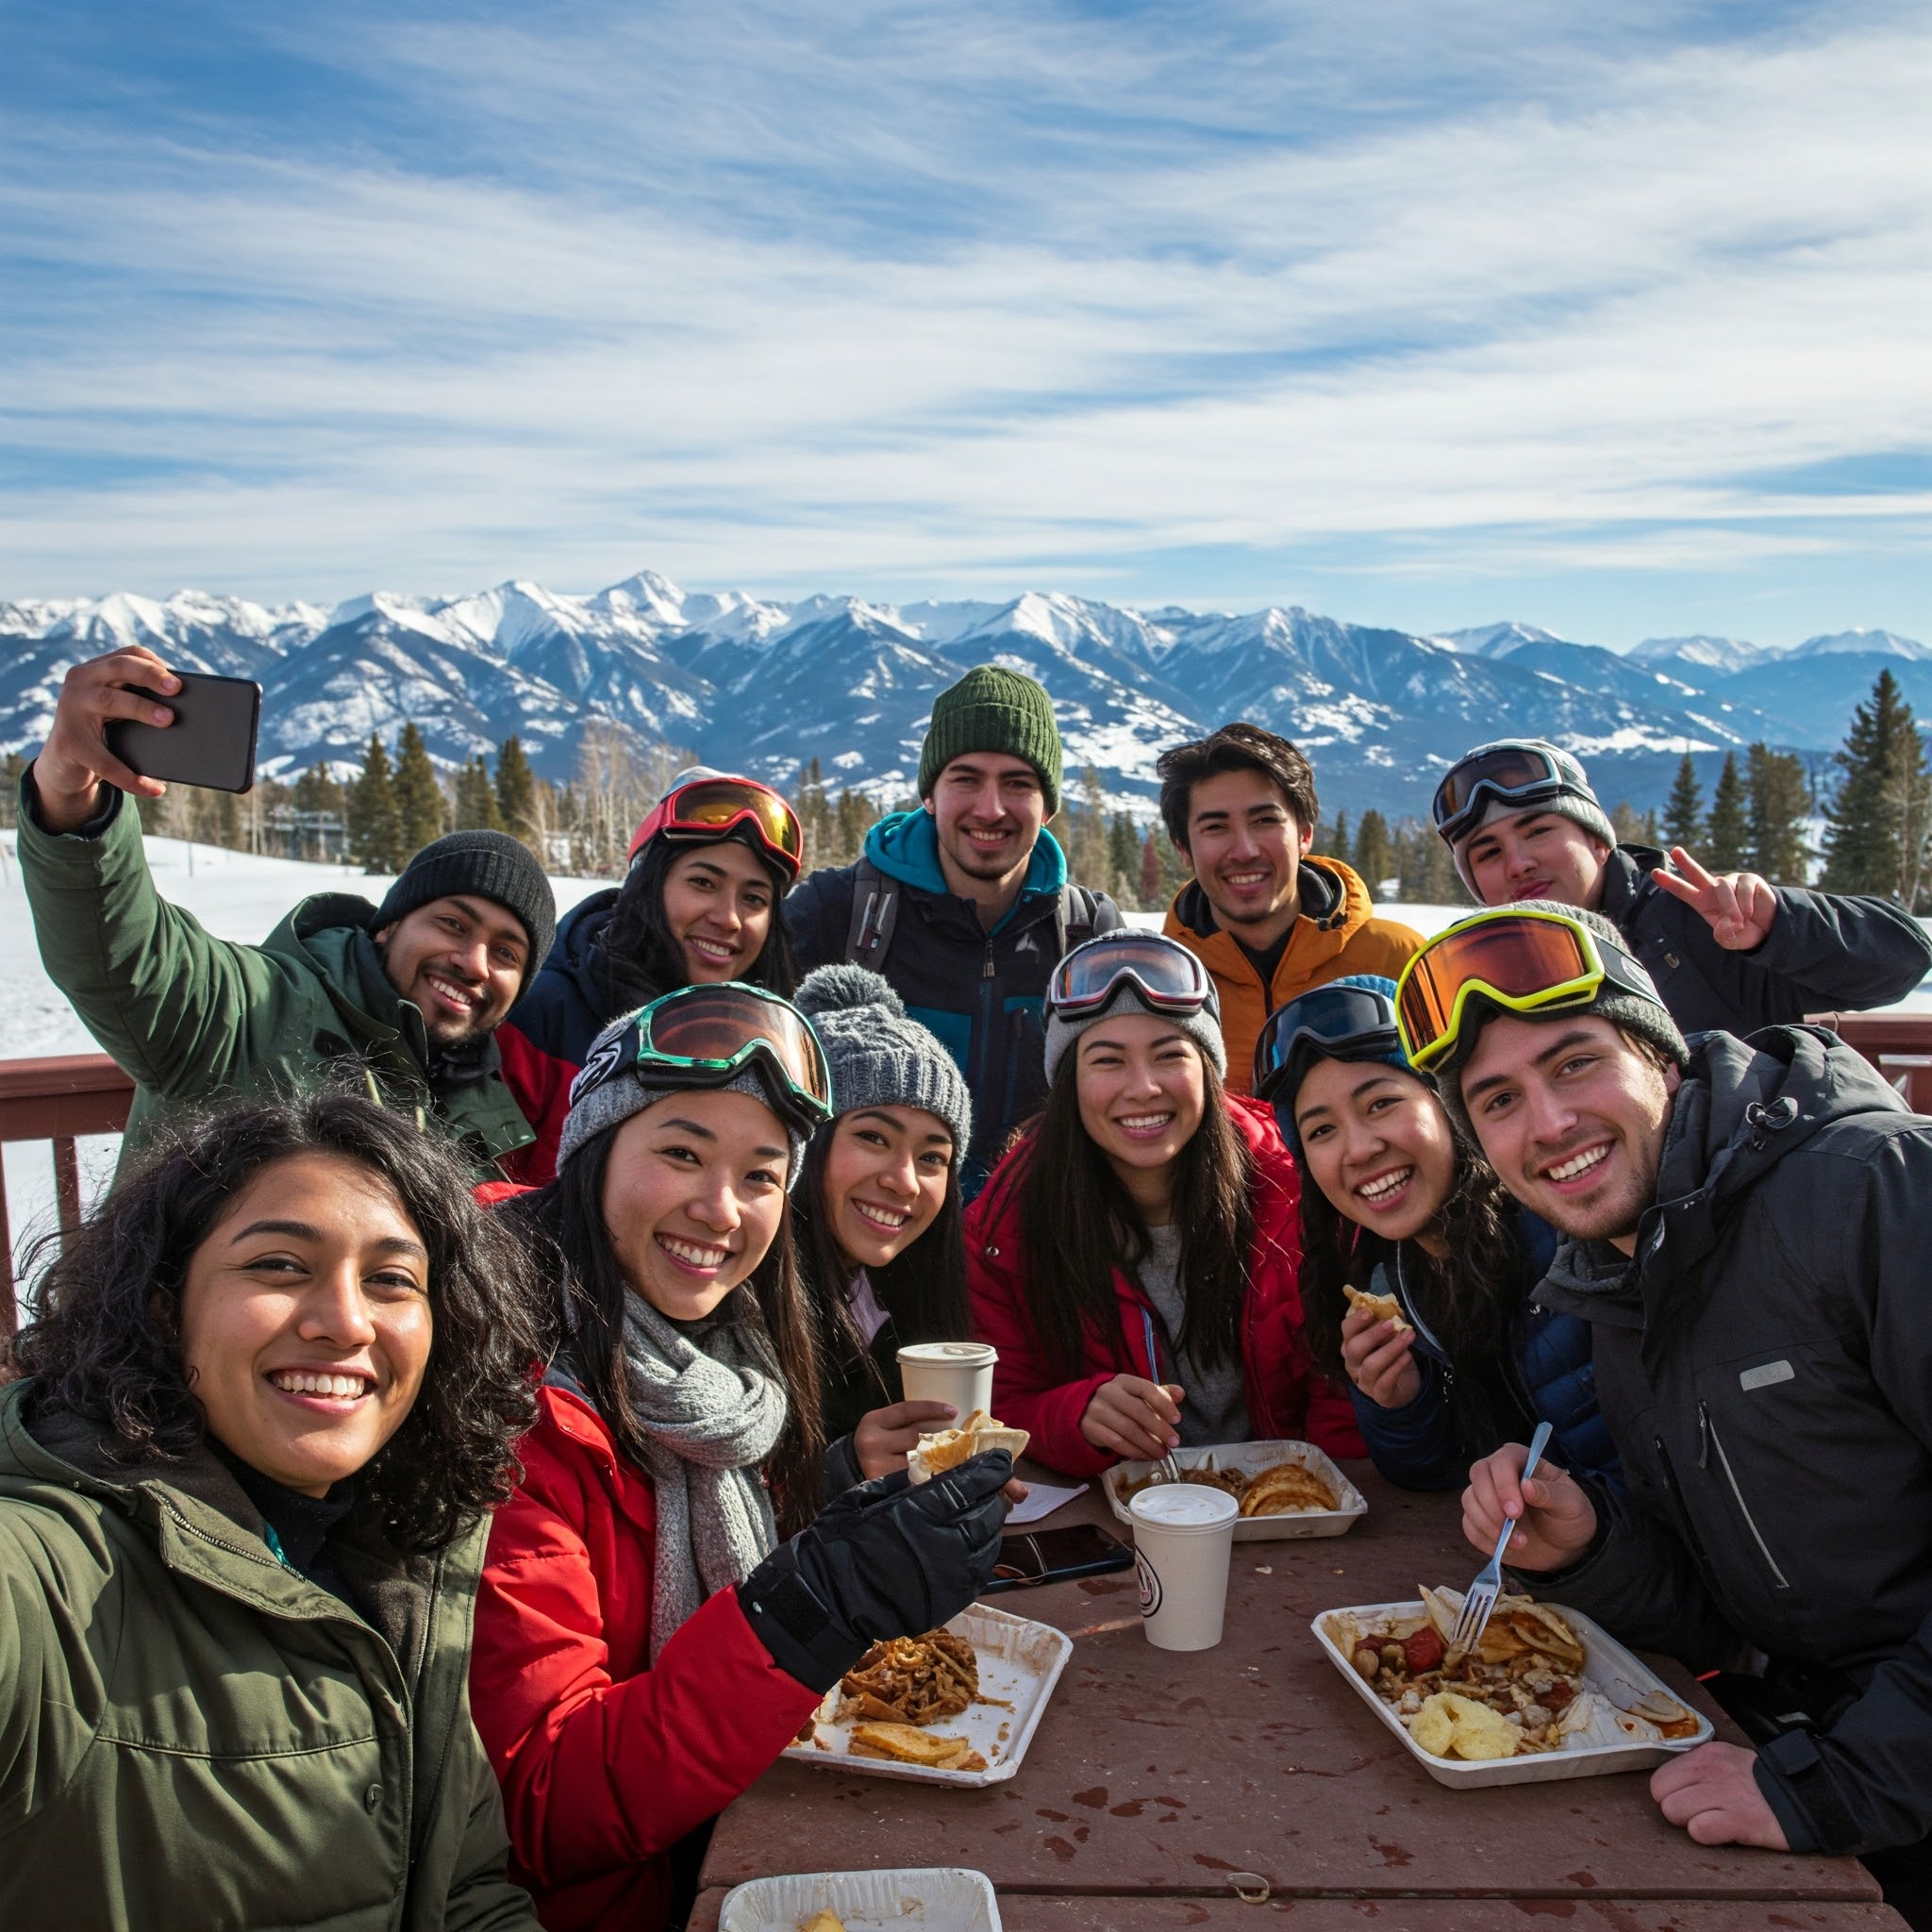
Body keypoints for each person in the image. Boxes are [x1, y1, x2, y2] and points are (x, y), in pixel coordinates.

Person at [1402, 902, 1932, 1921]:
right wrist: (1589, 1543)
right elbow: (1741, 1604)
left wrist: (1835, 1785)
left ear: (1663, 1056)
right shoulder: (1618, 1275)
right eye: (1497, 1099)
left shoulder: (1875, 1190)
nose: (1547, 1125)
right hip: (1807, 1743)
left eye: (1572, 1063)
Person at [472, 982, 1013, 1932]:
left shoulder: (725, 1362)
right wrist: (814, 1601)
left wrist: (839, 1499)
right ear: (594, 1148)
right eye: (681, 1151)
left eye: (763, 1174)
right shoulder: (506, 1398)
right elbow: (539, 1802)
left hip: (717, 1837)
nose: (721, 1208)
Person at [0, 1091, 548, 1928]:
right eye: (279, 1267)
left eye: (391, 1281)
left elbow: (464, 1893)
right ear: (163, 1304)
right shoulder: (54, 1573)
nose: (345, 1323)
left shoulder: (405, 1563)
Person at [19, 643, 556, 1178]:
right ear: (388, 926)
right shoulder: (250, 1012)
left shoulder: (482, 1105)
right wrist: (72, 794)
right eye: (452, 923)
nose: (474, 962)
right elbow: (123, 951)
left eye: (507, 952)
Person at [967, 930, 1362, 1477]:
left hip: (1287, 1516)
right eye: (1107, 1061)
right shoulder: (1005, 1222)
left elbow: (1341, 1391)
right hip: (1116, 1525)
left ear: (1208, 1069)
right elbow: (993, 1406)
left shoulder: (1294, 1187)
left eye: (1169, 1054)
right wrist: (1073, 1416)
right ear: (1069, 1084)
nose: (1144, 1087)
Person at [1253, 974, 1617, 1492]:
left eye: (1380, 1103)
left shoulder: (1565, 1232)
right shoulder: (1389, 1280)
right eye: (1321, 1131)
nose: (1358, 1149)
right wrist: (1400, 1405)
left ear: (1448, 1105)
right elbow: (1437, 1477)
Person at [786, 665, 1122, 1193]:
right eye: (965, 779)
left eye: (1018, 783)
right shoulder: (837, 914)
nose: (990, 809)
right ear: (930, 794)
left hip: (1024, 1249)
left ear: (1048, 806)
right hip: (874, 1240)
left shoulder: (1087, 935)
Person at [1431, 736, 1932, 1035]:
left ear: (1599, 843)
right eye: (1489, 853)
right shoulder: (1477, 976)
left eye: (1538, 831)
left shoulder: (1699, 926)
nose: (1518, 863)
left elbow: (1902, 962)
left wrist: (1780, 926)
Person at [497, 770, 804, 1182]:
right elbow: (474, 1195)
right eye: (703, 882)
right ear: (647, 886)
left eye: (753, 898)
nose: (728, 918)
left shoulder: (770, 1050)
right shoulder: (544, 1014)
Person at [790, 963, 978, 1492]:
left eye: (933, 1157)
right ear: (805, 1143)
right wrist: (844, 1469)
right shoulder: (735, 1300)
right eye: (873, 1137)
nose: (905, 1182)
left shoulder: (898, 1296)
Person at [1157, 723, 1423, 1093]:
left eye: (1265, 821)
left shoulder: (1399, 958)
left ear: (1304, 834)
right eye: (1216, 827)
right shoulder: (1162, 984)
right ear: (1183, 848)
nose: (1245, 850)